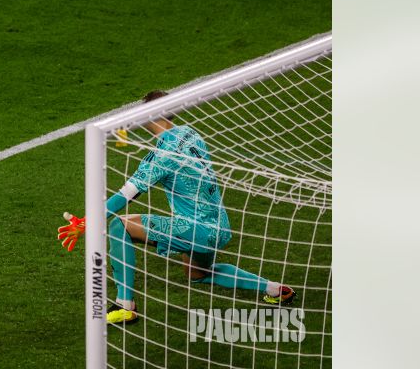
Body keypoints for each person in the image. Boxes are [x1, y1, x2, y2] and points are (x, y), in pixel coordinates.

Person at [58, 91, 296, 325]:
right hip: (219, 225)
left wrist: (88, 222)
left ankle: (124, 305)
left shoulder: (162, 154)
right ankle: (275, 289)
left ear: (153, 114)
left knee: (119, 226)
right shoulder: (190, 133)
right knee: (198, 273)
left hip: (194, 229)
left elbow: (126, 195)